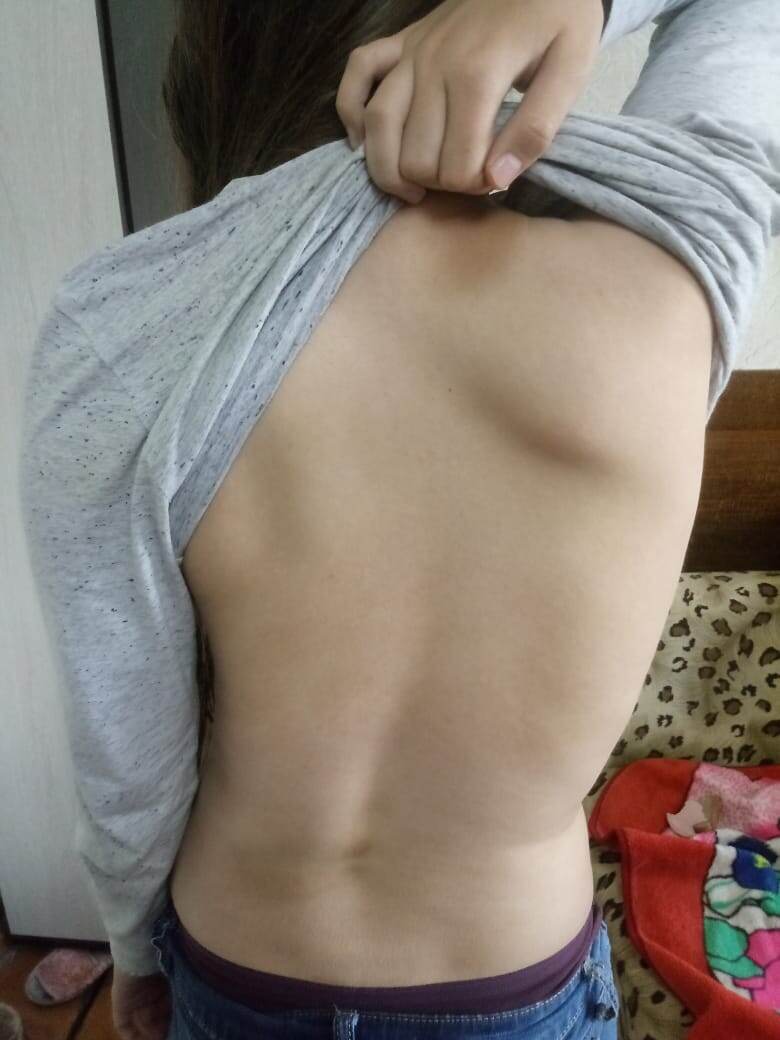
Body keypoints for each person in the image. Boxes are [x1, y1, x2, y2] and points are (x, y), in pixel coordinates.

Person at [17, 1, 779, 1038]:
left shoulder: (125, 320)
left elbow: (130, 770)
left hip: (244, 964)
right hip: (510, 974)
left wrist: (134, 949)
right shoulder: (676, 253)